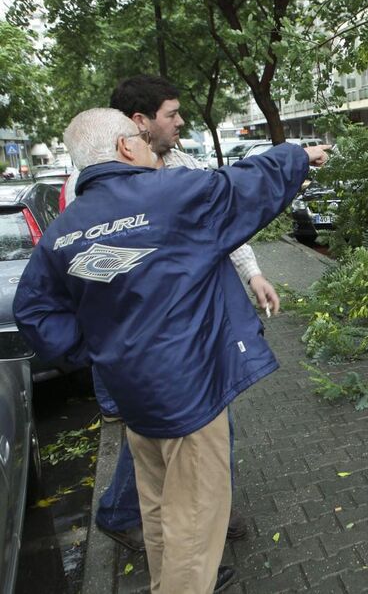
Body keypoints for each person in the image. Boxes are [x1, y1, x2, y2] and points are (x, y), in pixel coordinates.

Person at [14, 108, 329, 593]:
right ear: (125, 147)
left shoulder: (63, 231)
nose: (149, 145)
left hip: (133, 395)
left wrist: (99, 348)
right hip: (190, 395)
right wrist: (299, 155)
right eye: (141, 137)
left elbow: (34, 312)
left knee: (159, 507)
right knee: (196, 527)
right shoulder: (171, 195)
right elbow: (243, 186)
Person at [61, 75, 274, 552]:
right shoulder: (93, 190)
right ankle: (172, 530)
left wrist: (253, 273)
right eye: (171, 114)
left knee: (186, 427)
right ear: (139, 125)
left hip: (186, 333)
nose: (180, 122)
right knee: (175, 430)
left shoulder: (182, 164)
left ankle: (190, 515)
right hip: (148, 339)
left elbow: (223, 221)